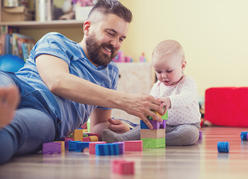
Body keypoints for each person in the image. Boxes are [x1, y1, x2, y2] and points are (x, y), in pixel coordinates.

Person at [0, 0, 164, 164]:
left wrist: (119, 129)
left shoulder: (110, 73)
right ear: (87, 28)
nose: (115, 43)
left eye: (121, 38)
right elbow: (57, 81)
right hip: (19, 85)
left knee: (13, 131)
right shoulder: (56, 41)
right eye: (110, 33)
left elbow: (98, 124)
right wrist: (125, 101)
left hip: (49, 117)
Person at [102, 40, 201, 146]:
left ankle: (158, 140)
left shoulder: (187, 82)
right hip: (161, 124)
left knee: (190, 134)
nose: (163, 76)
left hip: (186, 125)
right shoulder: (157, 86)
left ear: (182, 66)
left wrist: (169, 101)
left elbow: (187, 97)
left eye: (169, 71)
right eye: (158, 71)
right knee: (144, 126)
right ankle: (121, 138)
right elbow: (150, 103)